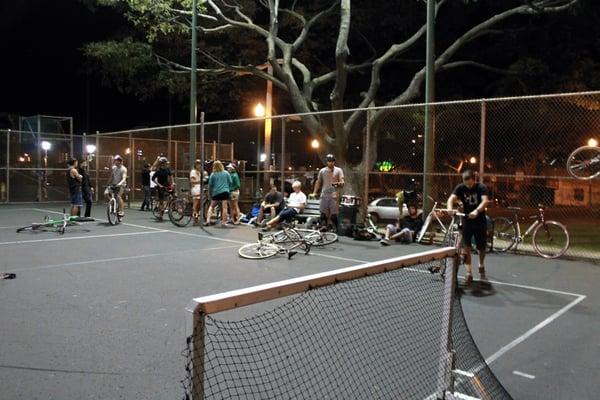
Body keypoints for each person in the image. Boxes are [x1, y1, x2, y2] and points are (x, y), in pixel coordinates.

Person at [447, 169, 490, 285]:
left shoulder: (481, 188)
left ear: (474, 180)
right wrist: (449, 208)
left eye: (469, 183)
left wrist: (476, 211)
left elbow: (485, 201)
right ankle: (469, 272)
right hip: (466, 220)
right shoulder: (460, 187)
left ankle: (481, 264)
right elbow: (451, 199)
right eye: (465, 183)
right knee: (466, 247)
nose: (467, 186)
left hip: (479, 220)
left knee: (481, 247)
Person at [311, 154, 344, 232]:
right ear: (327, 162)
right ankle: (324, 227)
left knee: (334, 214)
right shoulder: (322, 171)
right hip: (324, 194)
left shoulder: (338, 170)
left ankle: (336, 228)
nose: (331, 163)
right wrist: (314, 192)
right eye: (329, 161)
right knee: (323, 213)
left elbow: (342, 182)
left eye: (332, 161)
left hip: (334, 194)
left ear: (334, 162)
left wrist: (336, 184)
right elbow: (318, 182)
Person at [205, 160, 232, 226]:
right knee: (224, 207)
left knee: (211, 206)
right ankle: (224, 222)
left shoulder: (213, 174)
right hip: (225, 192)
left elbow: (210, 185)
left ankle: (208, 220)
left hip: (216, 192)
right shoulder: (226, 173)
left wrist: (210, 193)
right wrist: (228, 188)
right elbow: (230, 182)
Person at [190, 160, 202, 225]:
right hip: (195, 189)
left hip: (199, 188)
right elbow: (192, 181)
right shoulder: (193, 172)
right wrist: (200, 181)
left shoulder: (199, 172)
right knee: (195, 204)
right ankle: (194, 219)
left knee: (199, 206)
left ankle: (197, 218)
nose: (199, 165)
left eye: (200, 164)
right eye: (198, 164)